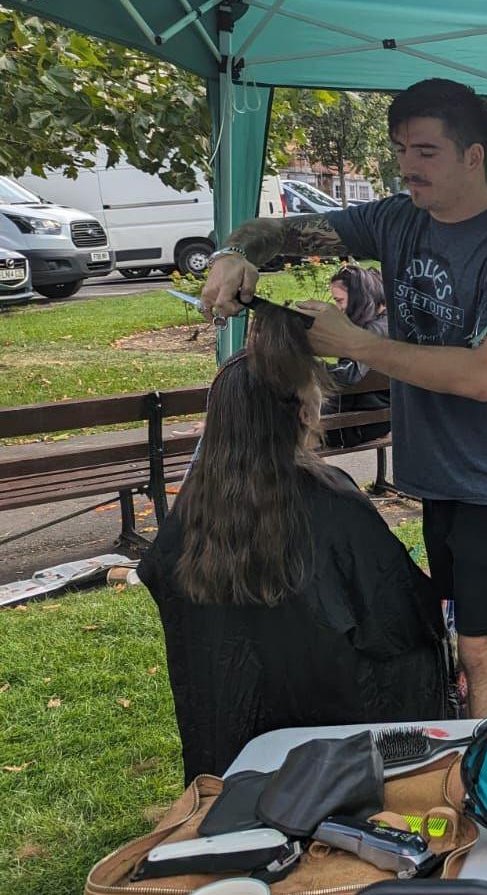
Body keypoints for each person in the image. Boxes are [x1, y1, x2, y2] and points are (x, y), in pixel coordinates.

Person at [201, 78, 487, 717]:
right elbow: (281, 230)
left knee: (479, 648)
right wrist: (235, 253)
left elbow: (483, 376)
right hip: (442, 476)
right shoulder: (395, 218)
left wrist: (355, 343)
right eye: (399, 150)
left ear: (473, 156)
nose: (406, 167)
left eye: (425, 152)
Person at [137, 307, 448, 781]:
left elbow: (159, 575)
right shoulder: (333, 500)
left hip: (230, 746)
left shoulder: (192, 506)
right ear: (305, 412)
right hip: (338, 732)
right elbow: (401, 615)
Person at [323, 263, 391, 448]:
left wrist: (309, 367)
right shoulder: (388, 323)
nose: (337, 308)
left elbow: (348, 374)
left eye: (339, 301)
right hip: (377, 419)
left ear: (357, 299)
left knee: (284, 415)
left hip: (351, 427)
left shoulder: (370, 332)